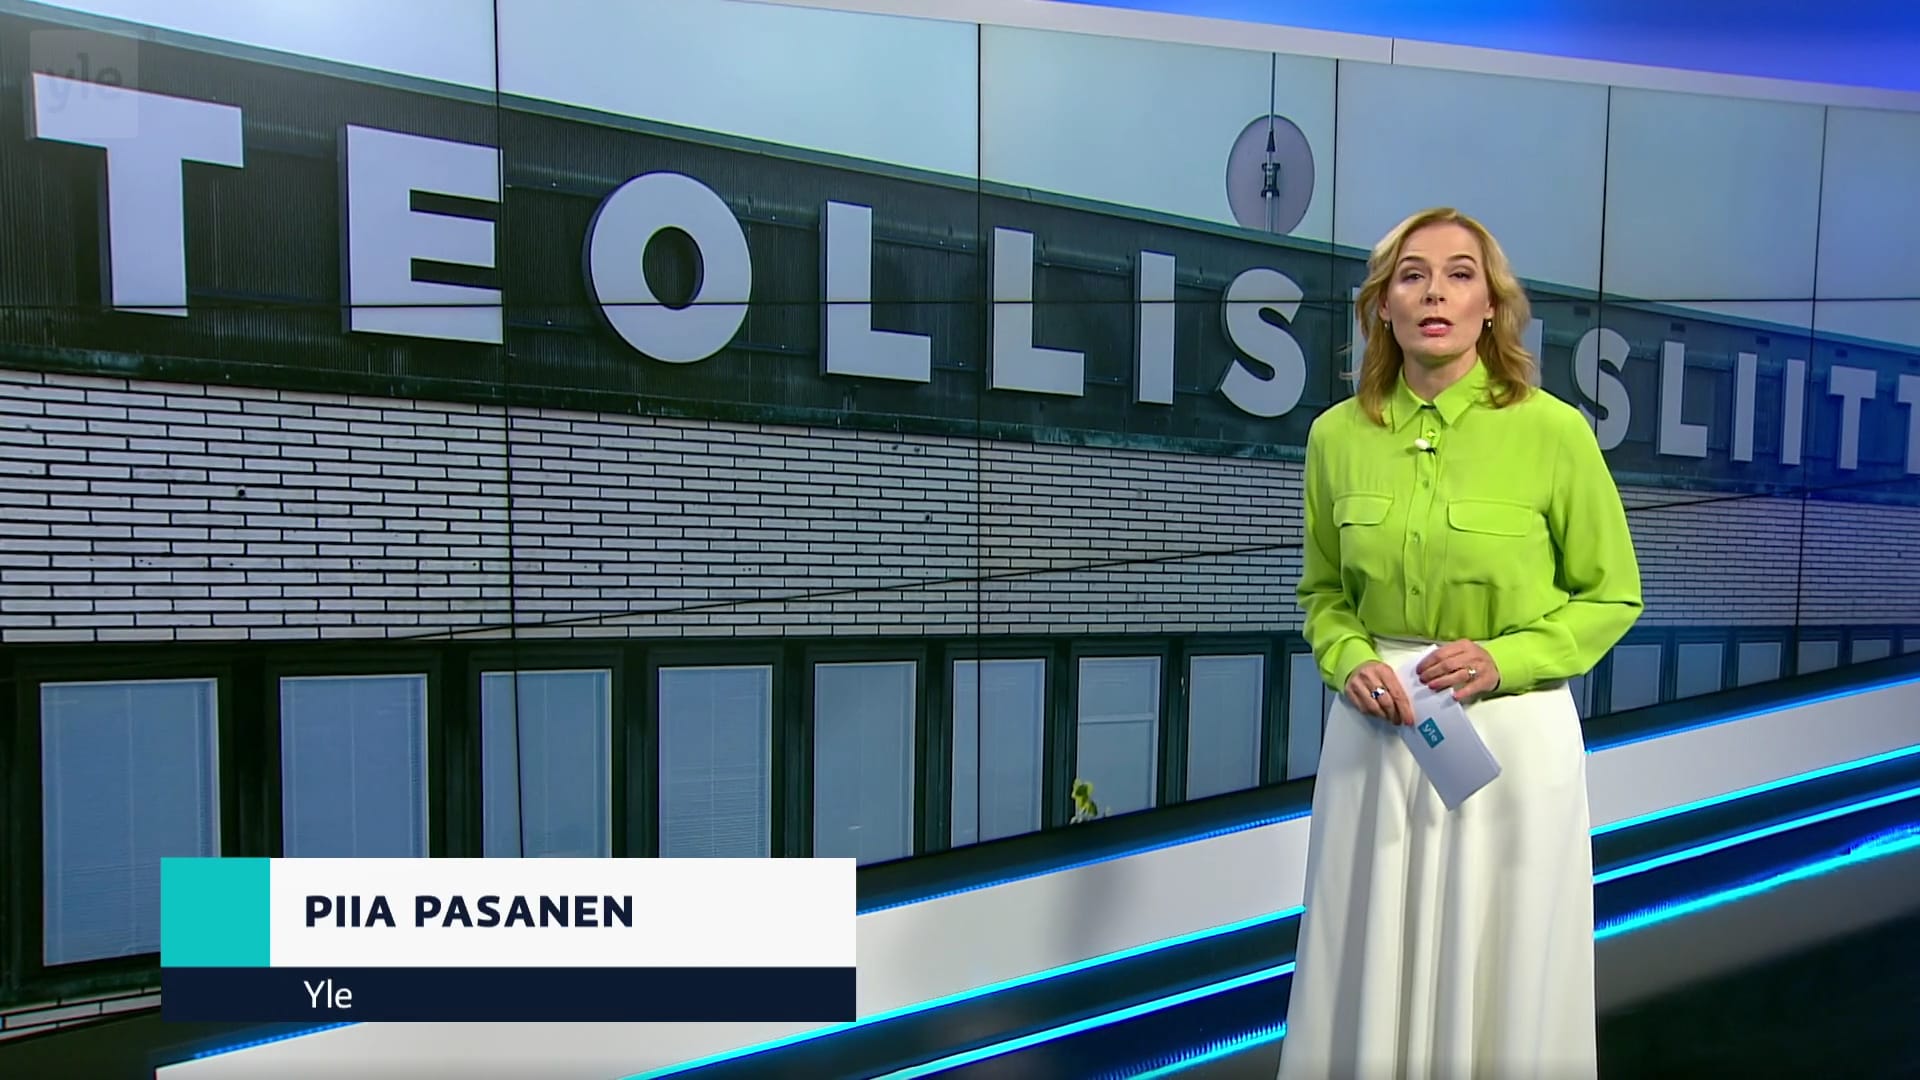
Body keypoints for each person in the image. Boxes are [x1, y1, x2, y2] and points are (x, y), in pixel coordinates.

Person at [1276, 207, 1643, 1080]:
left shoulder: (1554, 432)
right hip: (1376, 737)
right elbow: (1322, 596)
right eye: (1412, 275)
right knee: (1365, 953)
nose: (1434, 292)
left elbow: (1612, 595)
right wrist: (1349, 659)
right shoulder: (1335, 437)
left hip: (1510, 740)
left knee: (1501, 962)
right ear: (1383, 306)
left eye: (1459, 274)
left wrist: (1503, 660)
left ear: (1492, 306)